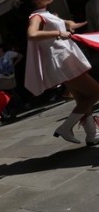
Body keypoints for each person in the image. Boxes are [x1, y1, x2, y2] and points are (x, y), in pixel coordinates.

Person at [26, 0, 99, 146]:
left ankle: (92, 134)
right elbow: (32, 34)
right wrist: (59, 32)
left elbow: (59, 22)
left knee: (82, 97)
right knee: (95, 93)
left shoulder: (45, 13)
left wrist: (69, 24)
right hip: (61, 61)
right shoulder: (36, 16)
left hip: (65, 59)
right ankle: (66, 127)